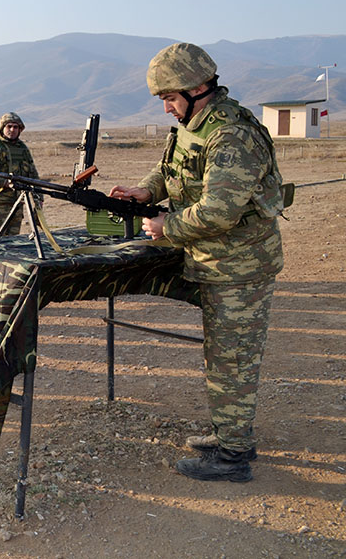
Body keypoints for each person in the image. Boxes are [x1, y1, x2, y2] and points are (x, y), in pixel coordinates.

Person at [109, 43, 285, 482]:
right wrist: (146, 193)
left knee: (233, 359)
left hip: (241, 266)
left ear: (197, 88)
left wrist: (167, 226)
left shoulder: (230, 136)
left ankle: (233, 457)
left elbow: (219, 211)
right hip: (217, 262)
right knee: (222, 355)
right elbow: (170, 169)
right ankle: (230, 434)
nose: (167, 109)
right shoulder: (195, 124)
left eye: (170, 98)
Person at [0, 112, 41, 238]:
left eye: (15, 127)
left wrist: (39, 198)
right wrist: (5, 182)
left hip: (19, 200)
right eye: (9, 126)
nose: (12, 130)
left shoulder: (22, 148)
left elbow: (33, 173)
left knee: (14, 239)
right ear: (2, 128)